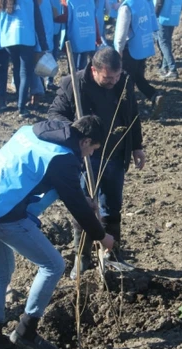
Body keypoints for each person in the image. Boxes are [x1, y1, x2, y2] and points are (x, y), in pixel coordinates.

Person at [0, 115, 115, 349]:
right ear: (86, 141)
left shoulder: (36, 131)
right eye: (93, 149)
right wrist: (101, 235)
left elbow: (58, 186)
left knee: (0, 270)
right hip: (1, 216)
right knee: (53, 265)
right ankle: (26, 331)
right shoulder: (63, 159)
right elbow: (75, 205)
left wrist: (81, 199)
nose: (90, 155)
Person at [48, 47, 145, 279]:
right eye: (107, 77)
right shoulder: (73, 84)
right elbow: (54, 115)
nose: (113, 81)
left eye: (116, 76)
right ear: (94, 70)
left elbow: (132, 114)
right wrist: (79, 130)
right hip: (86, 157)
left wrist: (136, 146)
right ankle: (82, 257)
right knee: (84, 206)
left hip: (115, 152)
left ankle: (112, 254)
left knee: (112, 205)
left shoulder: (123, 83)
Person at [0, 0, 49, 117]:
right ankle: (22, 106)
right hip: (26, 39)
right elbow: (38, 23)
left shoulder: (1, 1)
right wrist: (44, 44)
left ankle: (19, 100)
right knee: (25, 73)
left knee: (17, 69)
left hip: (8, 40)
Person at [114, 0, 164, 118]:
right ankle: (154, 95)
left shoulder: (126, 8)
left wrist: (118, 51)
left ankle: (128, 110)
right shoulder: (145, 2)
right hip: (143, 45)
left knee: (125, 81)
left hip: (130, 48)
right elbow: (152, 23)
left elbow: (121, 33)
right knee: (138, 76)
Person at [153, 0, 182, 79]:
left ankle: (172, 69)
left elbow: (159, 3)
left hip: (163, 17)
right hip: (173, 16)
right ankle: (164, 67)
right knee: (167, 43)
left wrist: (154, 15)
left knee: (163, 43)